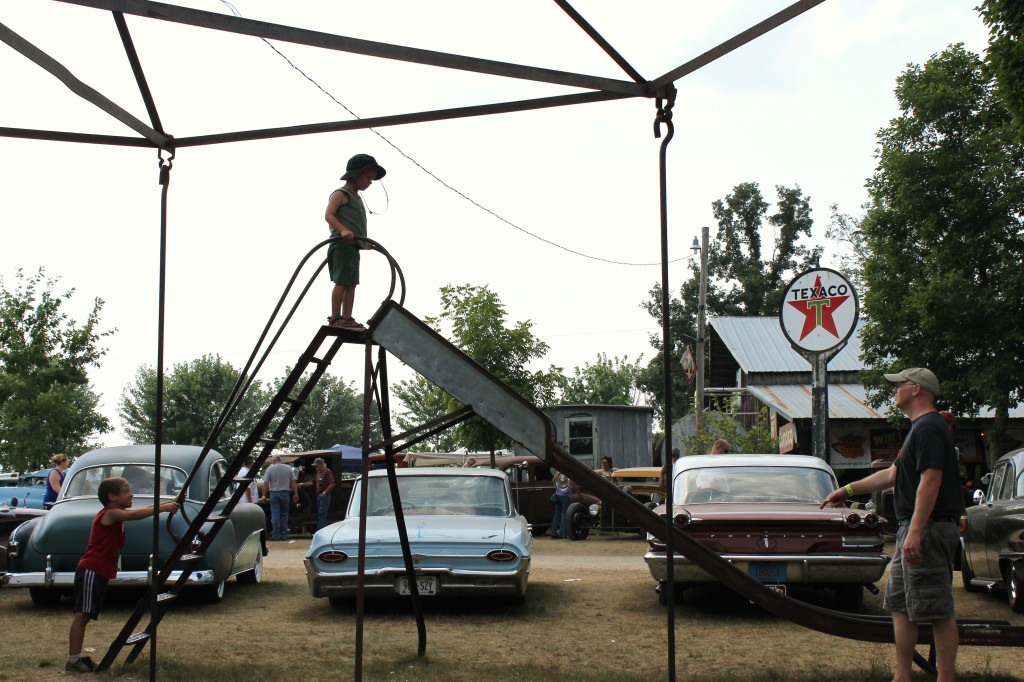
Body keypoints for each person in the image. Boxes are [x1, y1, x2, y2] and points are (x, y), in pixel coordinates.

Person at [820, 367, 960, 682]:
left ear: (916, 389)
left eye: (899, 385)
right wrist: (846, 490)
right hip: (914, 528)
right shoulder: (918, 429)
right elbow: (892, 475)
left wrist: (915, 531)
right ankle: (902, 676)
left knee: (937, 606)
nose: (894, 390)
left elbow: (931, 480)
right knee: (899, 601)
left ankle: (946, 677)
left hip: (928, 528)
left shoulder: (929, 428)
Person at [66, 477, 179, 673]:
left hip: (99, 571)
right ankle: (73, 660)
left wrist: (168, 503)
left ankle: (75, 658)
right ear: (112, 497)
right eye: (126, 491)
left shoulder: (116, 513)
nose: (132, 493)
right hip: (91, 570)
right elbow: (135, 515)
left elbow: (135, 512)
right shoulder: (109, 514)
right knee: (82, 615)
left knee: (85, 616)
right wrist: (163, 508)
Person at [325, 153, 386, 330]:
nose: (370, 182)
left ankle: (347, 317)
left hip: (353, 247)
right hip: (341, 245)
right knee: (342, 282)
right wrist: (343, 230)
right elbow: (329, 214)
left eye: (372, 179)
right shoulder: (340, 194)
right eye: (368, 177)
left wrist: (364, 244)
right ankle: (335, 317)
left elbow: (356, 225)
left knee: (352, 283)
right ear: (356, 174)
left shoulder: (357, 198)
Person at [261, 455, 298, 541]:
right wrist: (296, 494)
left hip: (274, 494)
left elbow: (266, 483)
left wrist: (263, 495)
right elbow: (293, 482)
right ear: (280, 460)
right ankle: (284, 535)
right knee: (284, 514)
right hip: (285, 493)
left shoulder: (270, 469)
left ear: (273, 461)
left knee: (275, 514)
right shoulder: (288, 468)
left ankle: (276, 535)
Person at [300, 457, 335, 531]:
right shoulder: (318, 473)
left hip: (324, 496)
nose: (315, 467)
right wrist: (301, 484)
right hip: (319, 496)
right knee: (320, 514)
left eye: (316, 465)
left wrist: (325, 492)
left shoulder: (327, 471)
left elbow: (332, 484)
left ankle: (324, 530)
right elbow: (312, 482)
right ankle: (320, 530)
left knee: (322, 513)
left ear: (321, 465)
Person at [550, 472, 573, 539]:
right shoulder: (568, 473)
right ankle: (562, 533)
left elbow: (553, 480)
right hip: (566, 495)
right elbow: (572, 484)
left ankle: (553, 533)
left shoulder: (558, 472)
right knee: (564, 514)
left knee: (556, 514)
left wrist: (557, 488)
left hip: (558, 494)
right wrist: (579, 494)